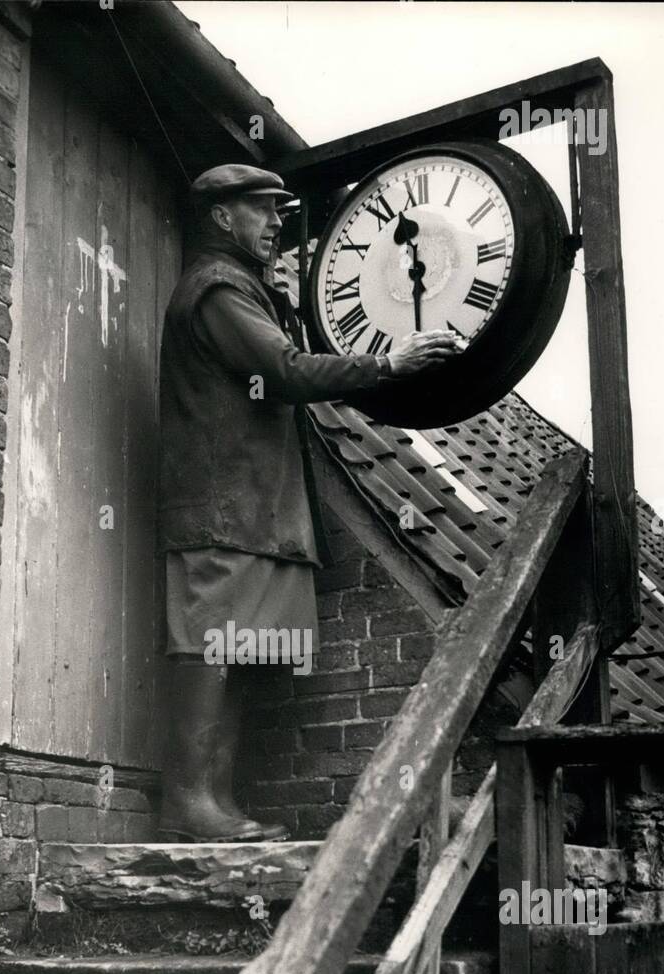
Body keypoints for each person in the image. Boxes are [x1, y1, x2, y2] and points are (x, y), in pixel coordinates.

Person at [157, 162, 460, 842]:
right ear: (221, 216)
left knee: (236, 646)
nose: (274, 224)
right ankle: (187, 800)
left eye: (279, 211)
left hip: (252, 505)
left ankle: (214, 802)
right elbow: (285, 370)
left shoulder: (249, 289)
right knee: (207, 642)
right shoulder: (216, 289)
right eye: (262, 211)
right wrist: (388, 363)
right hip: (221, 502)